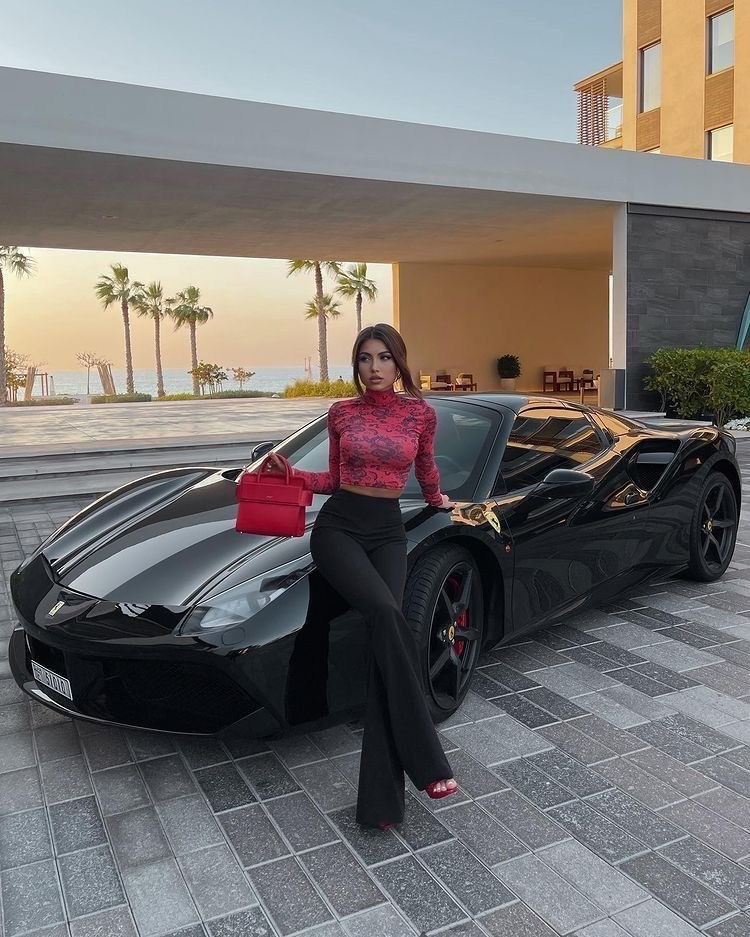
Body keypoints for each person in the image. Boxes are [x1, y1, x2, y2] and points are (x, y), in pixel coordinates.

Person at [260, 323, 458, 828]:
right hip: (341, 529)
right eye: (365, 359)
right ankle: (429, 760)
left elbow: (427, 469)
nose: (374, 368)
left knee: (384, 644)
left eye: (384, 358)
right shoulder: (341, 413)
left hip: (388, 533)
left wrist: (439, 502)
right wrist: (292, 476)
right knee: (388, 615)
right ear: (357, 365)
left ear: (399, 363)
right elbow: (333, 479)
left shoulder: (420, 413)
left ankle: (379, 808)